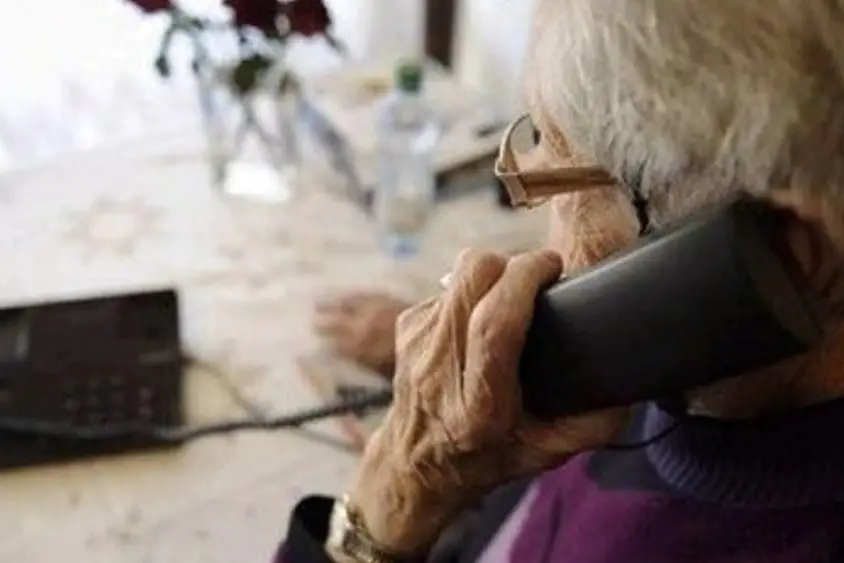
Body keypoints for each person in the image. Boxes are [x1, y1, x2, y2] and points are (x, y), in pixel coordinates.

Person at [278, 1, 844, 561]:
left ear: (789, 259)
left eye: (554, 173)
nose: (536, 238)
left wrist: (397, 495)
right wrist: (471, 374)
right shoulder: (667, 380)